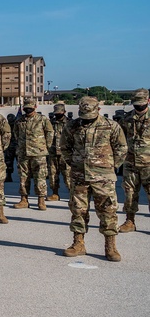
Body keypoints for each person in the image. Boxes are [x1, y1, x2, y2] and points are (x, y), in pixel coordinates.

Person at [62, 96, 127, 260]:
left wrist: (110, 167)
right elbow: (64, 147)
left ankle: (110, 246)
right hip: (79, 176)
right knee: (78, 210)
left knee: (108, 211)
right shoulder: (72, 126)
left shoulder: (111, 126)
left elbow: (121, 148)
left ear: (98, 110)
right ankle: (78, 244)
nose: (86, 120)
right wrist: (75, 164)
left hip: (103, 177)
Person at [12, 97, 54, 210]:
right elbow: (16, 134)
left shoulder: (42, 119)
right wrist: (21, 145)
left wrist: (45, 147)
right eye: (26, 108)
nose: (28, 110)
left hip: (38, 153)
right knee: (23, 177)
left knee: (40, 177)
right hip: (23, 153)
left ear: (35, 107)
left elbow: (50, 133)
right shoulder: (19, 120)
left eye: (30, 108)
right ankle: (24, 199)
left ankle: (41, 200)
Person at [119, 88, 150, 233]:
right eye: (136, 104)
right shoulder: (126, 119)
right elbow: (120, 140)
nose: (139, 107)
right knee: (129, 193)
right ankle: (130, 221)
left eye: (142, 104)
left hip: (149, 164)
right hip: (130, 162)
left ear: (148, 101)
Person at [48, 103, 71, 201]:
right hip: (52, 152)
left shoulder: (70, 123)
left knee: (68, 175)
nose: (58, 115)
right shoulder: (51, 123)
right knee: (53, 174)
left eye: (60, 113)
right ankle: (55, 193)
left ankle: (72, 194)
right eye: (56, 113)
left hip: (65, 154)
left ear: (64, 112)